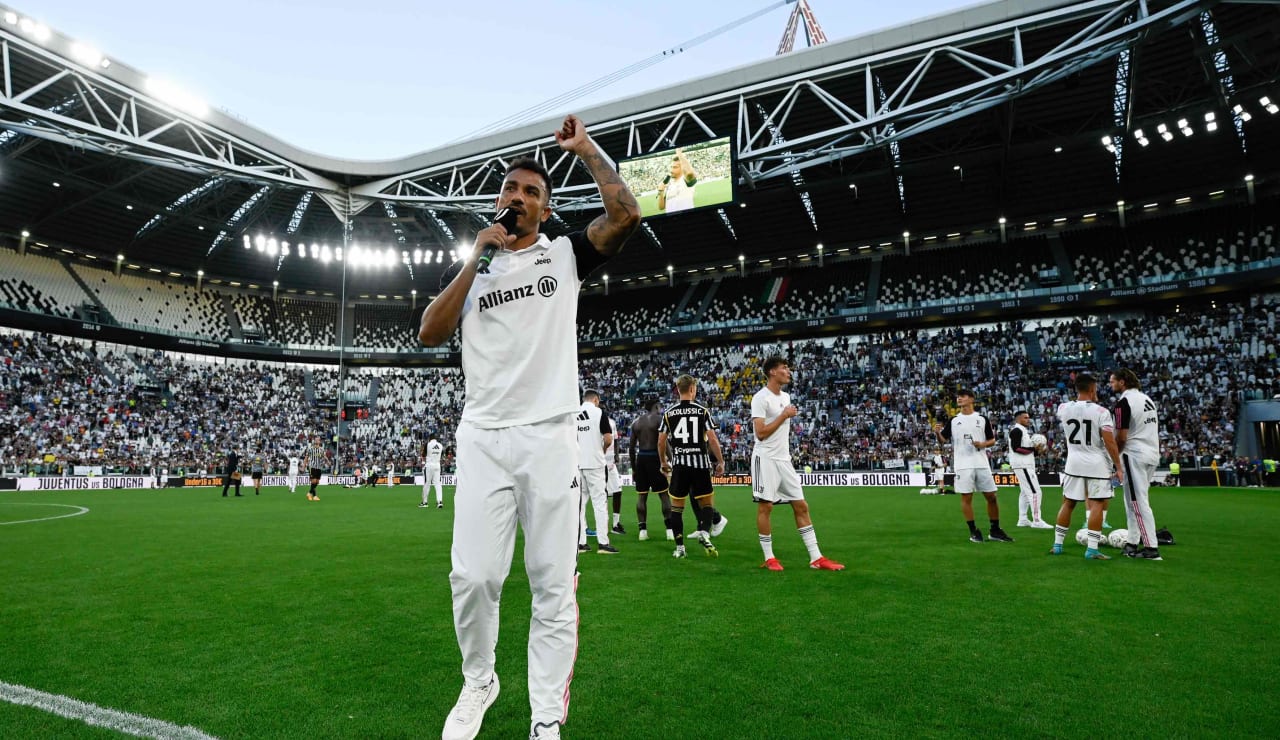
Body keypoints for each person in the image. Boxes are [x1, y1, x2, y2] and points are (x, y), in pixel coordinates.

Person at [418, 114, 639, 740]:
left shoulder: (564, 256)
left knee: (550, 586)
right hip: (483, 437)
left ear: (546, 209)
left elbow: (626, 216)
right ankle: (479, 681)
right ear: (498, 202)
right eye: (511, 190)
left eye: (531, 193)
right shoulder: (475, 271)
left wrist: (586, 149)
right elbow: (431, 331)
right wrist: (476, 255)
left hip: (547, 437)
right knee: (475, 577)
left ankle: (546, 719)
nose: (519, 198)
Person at [750, 356, 845, 571]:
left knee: (801, 506)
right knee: (766, 506)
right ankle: (769, 557)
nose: (789, 371)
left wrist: (784, 415)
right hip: (765, 458)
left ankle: (816, 558)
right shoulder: (760, 398)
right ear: (773, 372)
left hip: (784, 460)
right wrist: (784, 415)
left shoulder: (786, 396)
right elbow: (761, 433)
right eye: (785, 367)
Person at [1049, 374, 1123, 559]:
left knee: (1068, 502)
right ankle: (1091, 550)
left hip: (1073, 462)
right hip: (1096, 464)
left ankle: (1057, 545)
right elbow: (1109, 442)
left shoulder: (1063, 408)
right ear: (1092, 389)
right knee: (1097, 503)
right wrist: (1118, 466)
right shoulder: (1101, 412)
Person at [934, 389, 1014, 543]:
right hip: (963, 465)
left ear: (971, 399)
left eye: (962, 396)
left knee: (991, 496)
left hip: (981, 463)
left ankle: (995, 530)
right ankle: (973, 531)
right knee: (967, 497)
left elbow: (992, 440)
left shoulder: (982, 419)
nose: (959, 398)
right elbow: (943, 440)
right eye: (958, 396)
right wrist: (937, 433)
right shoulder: (954, 420)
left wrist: (982, 444)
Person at [658, 375, 725, 558]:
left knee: (676, 508)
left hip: (680, 465)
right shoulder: (702, 411)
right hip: (700, 465)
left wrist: (664, 462)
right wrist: (720, 461)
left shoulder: (669, 413)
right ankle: (704, 532)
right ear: (693, 389)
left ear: (678, 390)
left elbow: (661, 441)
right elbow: (712, 439)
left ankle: (680, 549)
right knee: (706, 504)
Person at [1110, 369, 1163, 560]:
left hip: (1133, 454)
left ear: (1122, 382)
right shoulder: (1147, 399)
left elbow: (1122, 436)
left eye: (1113, 381)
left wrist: (1114, 459)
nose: (1111, 385)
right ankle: (1132, 543)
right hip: (1151, 453)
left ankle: (1151, 548)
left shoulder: (1123, 403)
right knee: (1133, 501)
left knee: (1138, 502)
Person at [576, 390, 618, 555]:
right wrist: (602, 450)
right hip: (595, 464)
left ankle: (580, 543)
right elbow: (608, 439)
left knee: (579, 505)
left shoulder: (574, 413)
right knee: (600, 503)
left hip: (578, 464)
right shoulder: (599, 413)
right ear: (595, 400)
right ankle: (603, 543)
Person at [629, 399, 674, 541]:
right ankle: (669, 530)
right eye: (660, 406)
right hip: (655, 458)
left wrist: (634, 469)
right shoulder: (659, 419)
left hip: (641, 458)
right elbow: (663, 442)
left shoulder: (636, 422)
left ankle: (642, 532)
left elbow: (631, 448)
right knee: (664, 495)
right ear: (656, 406)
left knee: (641, 496)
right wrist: (671, 460)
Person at [1007, 410, 1050, 528]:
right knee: (1035, 492)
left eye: (1028, 417)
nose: (1028, 419)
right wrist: (1033, 450)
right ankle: (1037, 521)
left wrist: (1037, 451)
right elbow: (1017, 449)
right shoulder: (1017, 431)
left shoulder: (1023, 432)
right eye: (1025, 418)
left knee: (1025, 493)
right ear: (1018, 419)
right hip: (1023, 465)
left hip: (1024, 464)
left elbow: (1024, 450)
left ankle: (1023, 519)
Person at [656, 148, 697, 213]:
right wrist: (661, 192)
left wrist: (679, 153)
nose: (671, 170)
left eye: (675, 167)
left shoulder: (685, 180)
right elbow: (661, 207)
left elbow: (689, 173)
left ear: (682, 168)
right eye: (671, 167)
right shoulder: (669, 184)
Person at [605, 416, 625, 536]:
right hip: (598, 462)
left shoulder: (611, 422)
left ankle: (616, 524)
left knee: (618, 491)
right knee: (601, 495)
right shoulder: (594, 419)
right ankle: (602, 525)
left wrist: (617, 454)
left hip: (611, 463)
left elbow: (616, 439)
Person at [422, 435, 445, 509]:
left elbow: (423, 454)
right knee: (438, 484)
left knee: (427, 484)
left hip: (429, 465)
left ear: (430, 438)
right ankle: (440, 502)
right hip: (437, 465)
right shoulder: (440, 445)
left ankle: (425, 502)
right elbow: (441, 455)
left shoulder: (428, 444)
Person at [304, 436, 326, 501]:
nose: (316, 441)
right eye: (315, 440)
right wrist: (304, 466)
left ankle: (312, 494)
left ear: (319, 441)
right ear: (314, 441)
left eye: (318, 440)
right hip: (312, 466)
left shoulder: (321, 449)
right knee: (313, 481)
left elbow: (324, 457)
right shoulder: (310, 449)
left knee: (317, 482)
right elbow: (306, 457)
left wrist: (328, 462)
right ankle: (312, 495)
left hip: (319, 467)